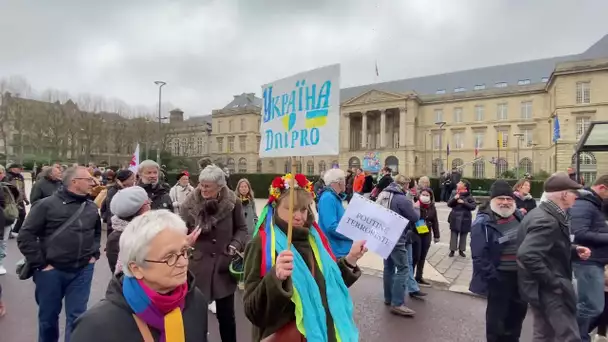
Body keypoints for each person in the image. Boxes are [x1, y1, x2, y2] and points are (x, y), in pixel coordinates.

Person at [243, 172, 365, 341]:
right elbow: (253, 310)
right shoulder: (261, 244)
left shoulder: (315, 240)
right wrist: (275, 279)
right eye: (291, 209)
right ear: (275, 207)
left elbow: (329, 287)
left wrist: (351, 259)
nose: (299, 216)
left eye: (303, 209)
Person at [70, 210, 209, 342]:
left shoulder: (194, 300)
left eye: (184, 251)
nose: (183, 262)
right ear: (136, 268)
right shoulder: (95, 327)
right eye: (169, 257)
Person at [17, 166, 101, 342]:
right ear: (74, 182)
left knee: (78, 317)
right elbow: (26, 236)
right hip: (51, 271)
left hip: (82, 270)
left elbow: (96, 232)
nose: (93, 183)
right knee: (48, 318)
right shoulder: (45, 205)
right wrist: (42, 264)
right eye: (88, 179)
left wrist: (93, 255)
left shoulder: (91, 206)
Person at [517, 172, 592, 341]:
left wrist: (573, 250)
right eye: (575, 194)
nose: (576, 198)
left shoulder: (541, 213)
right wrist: (554, 282)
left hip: (538, 287)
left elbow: (546, 247)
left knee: (543, 335)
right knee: (569, 336)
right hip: (549, 290)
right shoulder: (548, 219)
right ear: (564, 194)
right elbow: (528, 254)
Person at [179, 165, 247, 342]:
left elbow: (242, 228)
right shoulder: (189, 205)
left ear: (220, 187)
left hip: (223, 266)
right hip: (198, 267)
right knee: (196, 319)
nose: (202, 189)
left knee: (227, 318)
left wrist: (234, 245)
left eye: (207, 186)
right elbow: (179, 231)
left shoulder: (233, 203)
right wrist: (186, 242)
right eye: (201, 184)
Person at [469, 180, 527, 341]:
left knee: (517, 317)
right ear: (493, 200)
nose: (505, 202)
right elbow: (479, 256)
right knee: (497, 321)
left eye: (509, 199)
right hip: (499, 277)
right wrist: (493, 278)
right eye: (501, 198)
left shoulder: (519, 216)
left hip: (520, 277)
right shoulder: (482, 223)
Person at [377, 174, 421, 316]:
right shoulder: (402, 199)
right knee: (403, 269)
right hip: (397, 238)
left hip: (384, 236)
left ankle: (388, 298)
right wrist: (416, 207)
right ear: (405, 185)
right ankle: (397, 303)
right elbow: (414, 217)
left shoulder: (383, 195)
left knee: (388, 267)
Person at [570, 174, 608, 341]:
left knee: (593, 305)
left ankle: (579, 335)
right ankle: (574, 335)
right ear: (602, 188)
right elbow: (579, 233)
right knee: (591, 306)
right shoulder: (585, 204)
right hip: (587, 262)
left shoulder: (594, 203)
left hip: (594, 261)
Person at [106, 186, 151, 274]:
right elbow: (120, 274)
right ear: (139, 209)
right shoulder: (117, 239)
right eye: (147, 203)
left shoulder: (147, 229)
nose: (150, 204)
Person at [317, 168, 351, 258]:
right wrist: (351, 234)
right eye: (344, 180)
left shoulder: (333, 197)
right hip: (334, 250)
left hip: (338, 249)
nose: (345, 183)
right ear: (338, 182)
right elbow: (331, 227)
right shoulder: (328, 198)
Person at [413, 188, 440, 287]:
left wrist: (437, 235)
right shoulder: (416, 205)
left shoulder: (432, 207)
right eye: (423, 194)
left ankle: (419, 277)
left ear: (430, 197)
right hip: (416, 232)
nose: (424, 196)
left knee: (423, 256)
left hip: (426, 233)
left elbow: (435, 221)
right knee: (416, 256)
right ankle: (410, 277)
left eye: (427, 195)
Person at [101, 169, 136, 237]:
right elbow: (110, 210)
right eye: (132, 179)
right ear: (124, 180)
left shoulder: (126, 190)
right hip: (115, 229)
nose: (134, 181)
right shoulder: (115, 192)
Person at [447, 180, 476, 257]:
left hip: (465, 218)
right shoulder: (454, 193)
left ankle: (461, 250)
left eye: (460, 183)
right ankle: (452, 250)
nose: (457, 184)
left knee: (463, 235)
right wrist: (454, 199)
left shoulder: (469, 195)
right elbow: (449, 204)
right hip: (455, 217)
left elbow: (473, 206)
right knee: (453, 234)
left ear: (465, 186)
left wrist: (464, 203)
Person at [6, 163, 28, 238]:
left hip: (20, 200)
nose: (20, 170)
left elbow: (22, 189)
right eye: (19, 168)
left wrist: (25, 199)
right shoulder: (7, 176)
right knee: (10, 216)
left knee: (22, 215)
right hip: (11, 201)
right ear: (13, 168)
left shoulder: (20, 177)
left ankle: (15, 230)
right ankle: (8, 232)